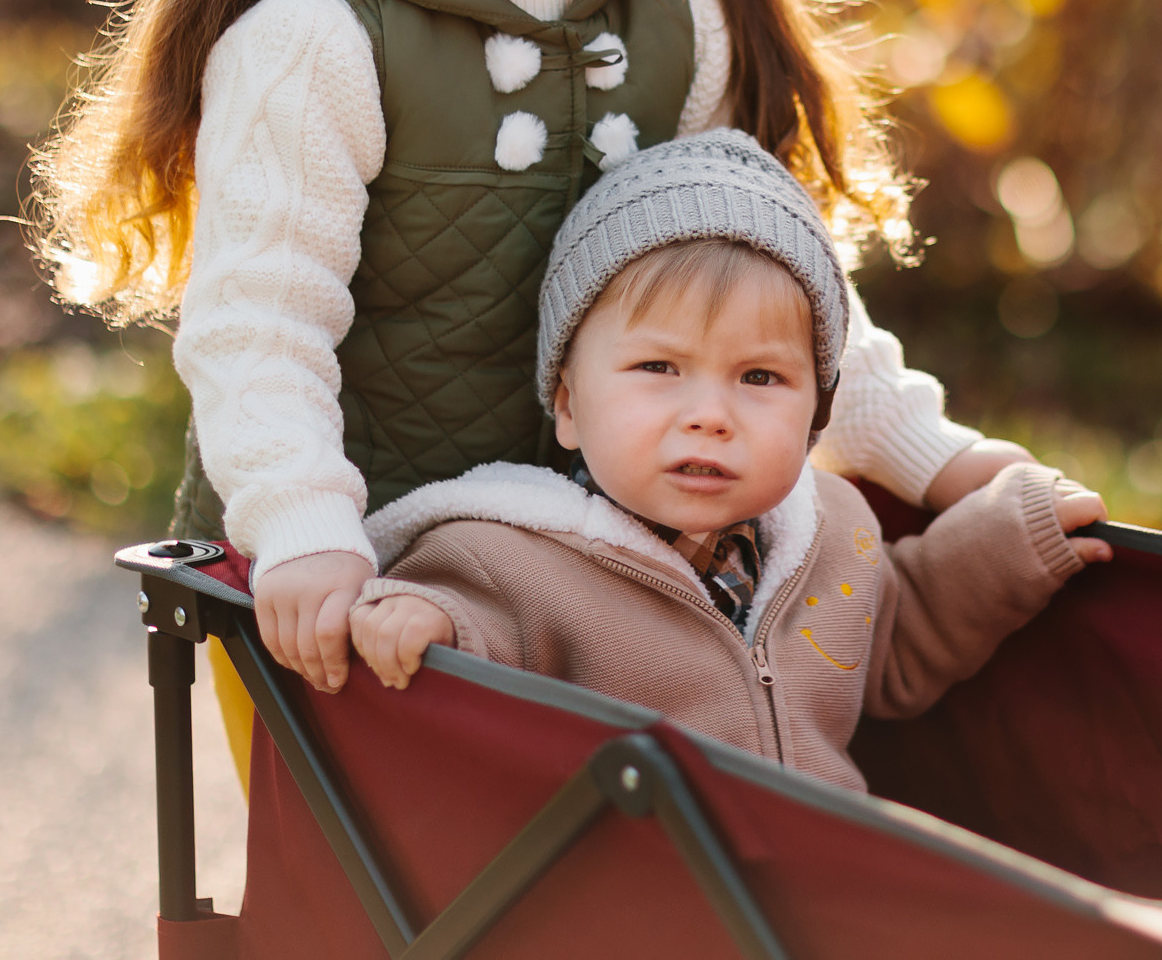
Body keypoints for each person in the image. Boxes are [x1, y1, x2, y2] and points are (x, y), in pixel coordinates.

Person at [29, 0, 1066, 760]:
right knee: (391, 904)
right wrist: (307, 533)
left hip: (609, 583)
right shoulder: (322, 41)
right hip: (364, 587)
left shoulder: (679, 17)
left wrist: (931, 458)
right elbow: (259, 323)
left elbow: (770, 291)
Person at [349, 131, 1111, 790]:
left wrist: (1006, 541)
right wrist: (427, 618)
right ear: (570, 405)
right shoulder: (505, 560)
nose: (710, 414)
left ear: (817, 411)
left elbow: (894, 642)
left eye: (759, 377)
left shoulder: (833, 532)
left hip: (822, 898)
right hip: (643, 907)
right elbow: (474, 639)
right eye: (659, 368)